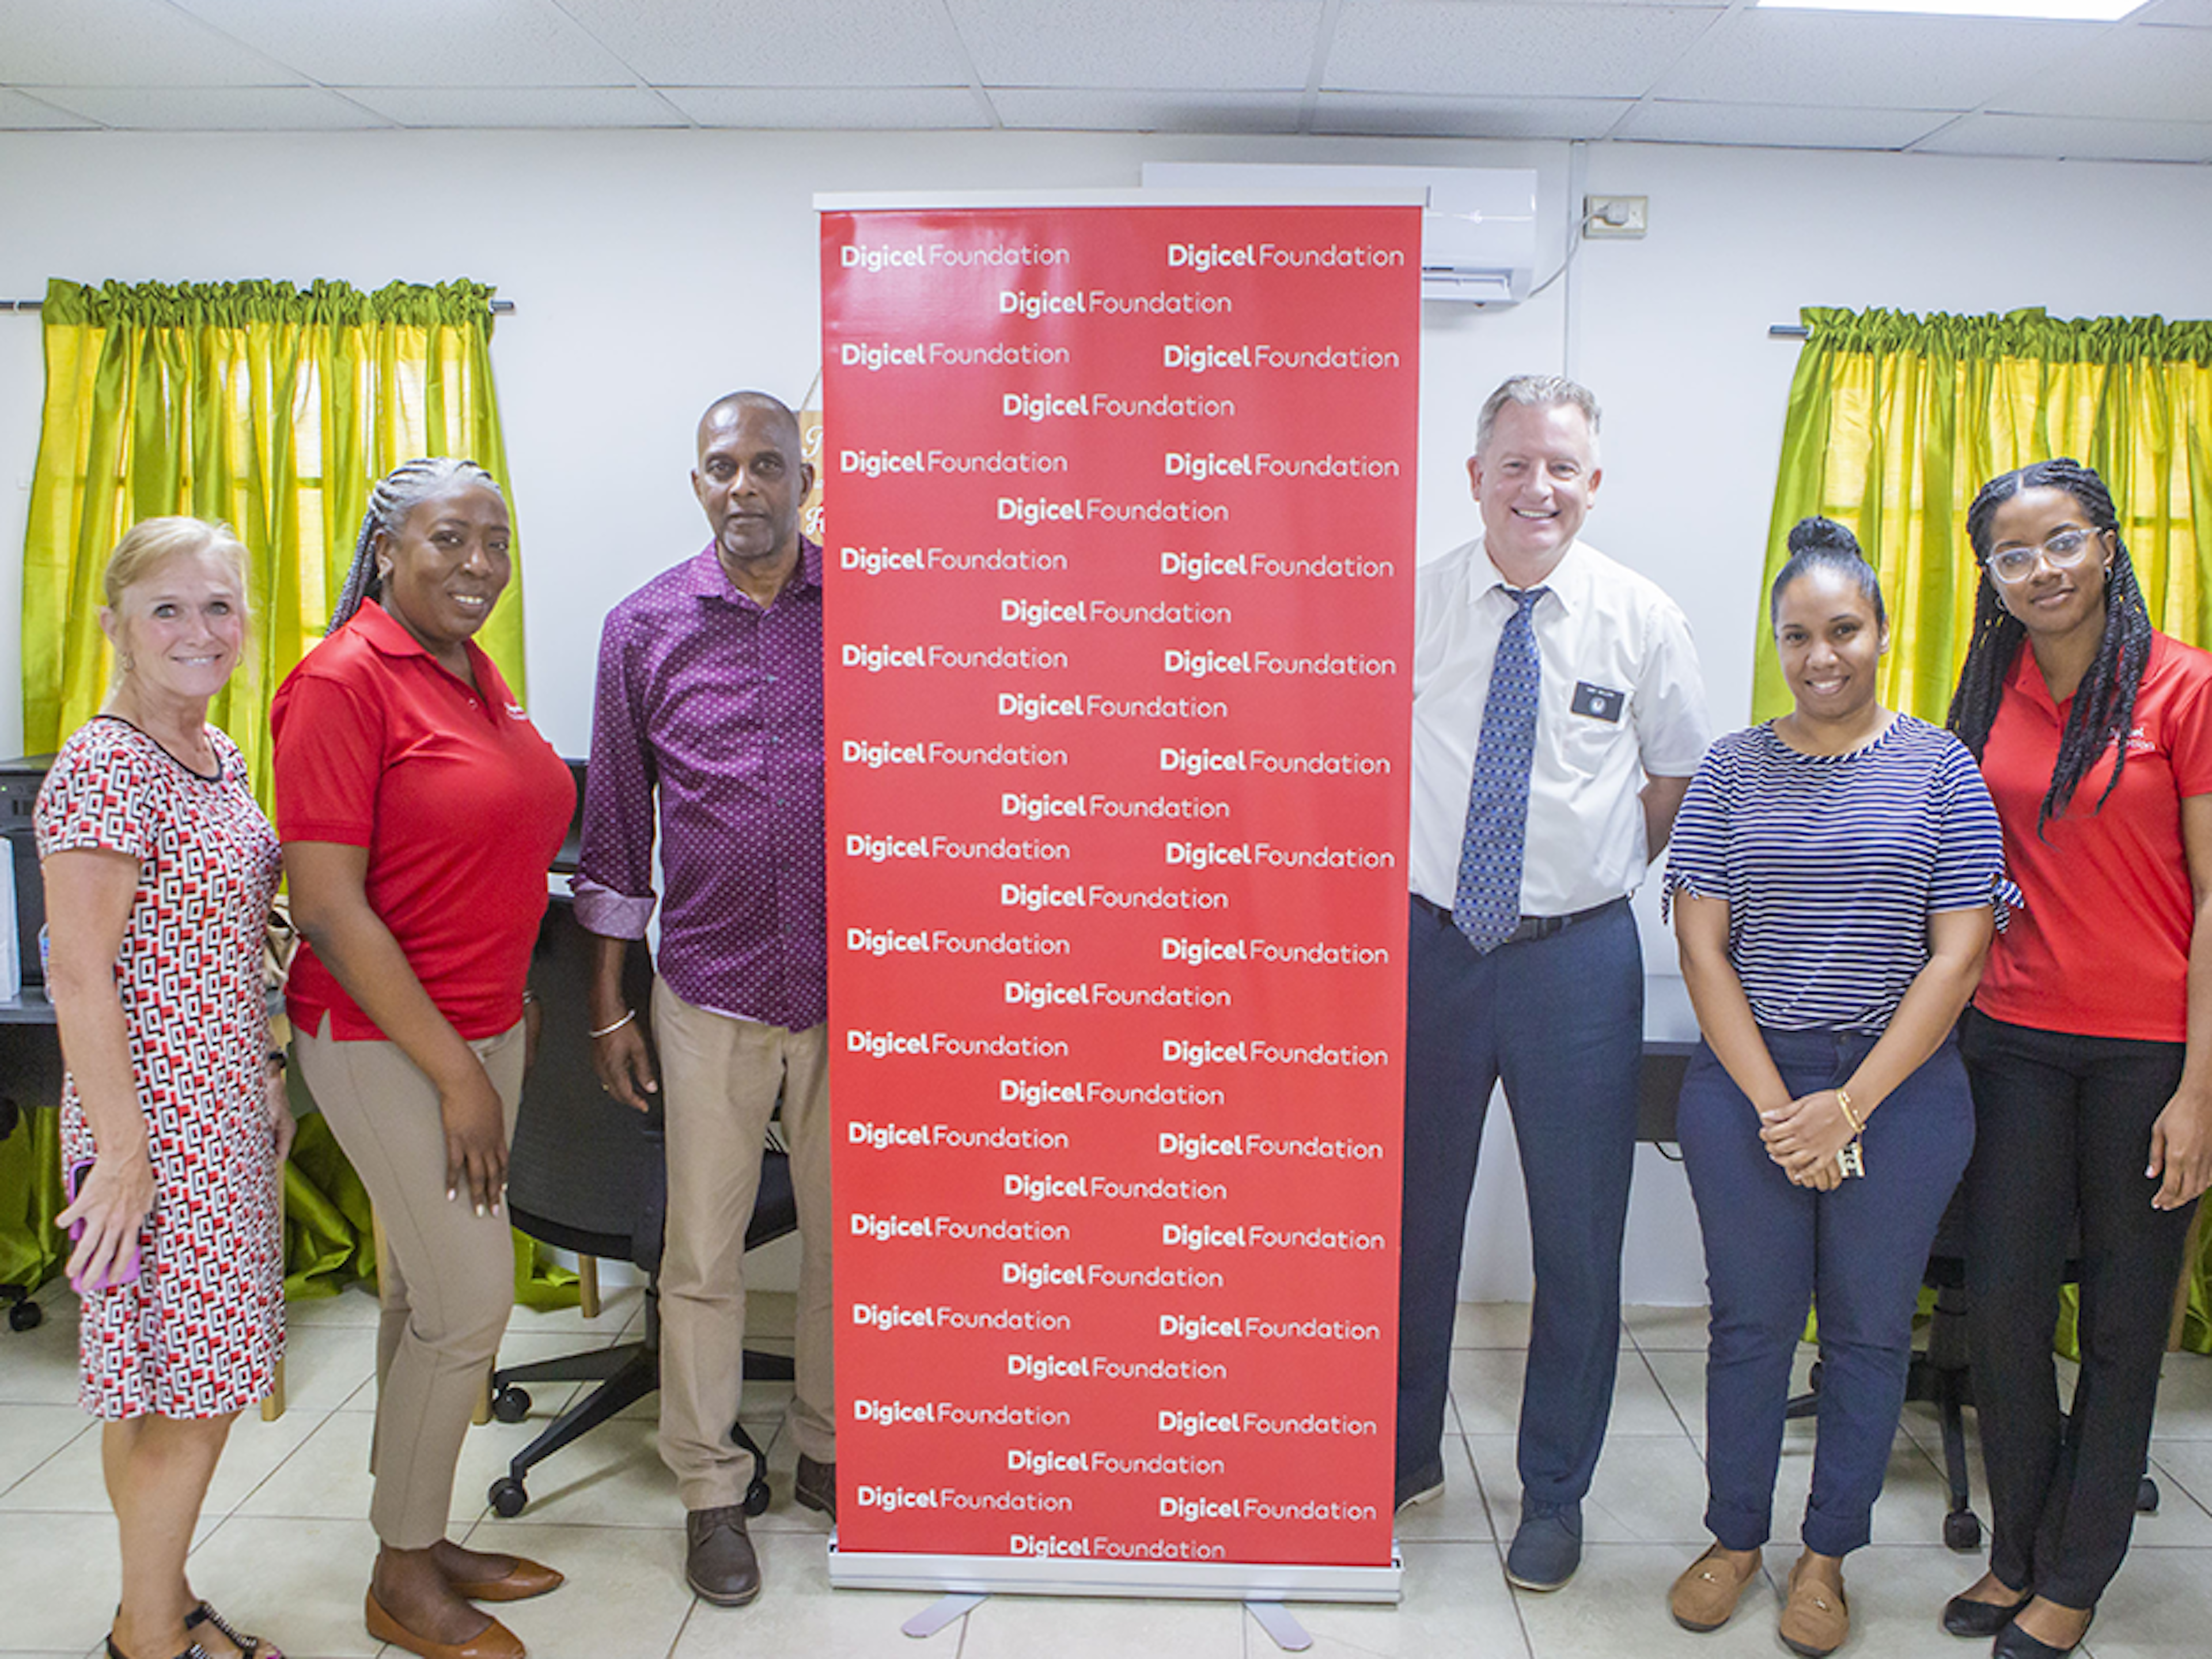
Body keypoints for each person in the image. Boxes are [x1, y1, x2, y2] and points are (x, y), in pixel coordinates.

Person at [1662, 518, 2009, 1656]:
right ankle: (1733, 1537)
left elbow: (1958, 955)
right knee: (1750, 1328)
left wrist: (1848, 1107)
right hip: (1753, 1085)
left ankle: (1826, 1557)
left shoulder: (1940, 768)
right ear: (1777, 642)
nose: (1822, 656)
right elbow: (1703, 948)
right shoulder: (1729, 767)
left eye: (1843, 630)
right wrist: (1779, 1109)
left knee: (1864, 1335)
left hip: (1897, 1089)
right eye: (1798, 635)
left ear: (1881, 629)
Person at [1400, 373, 1711, 1590]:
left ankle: (1556, 1493)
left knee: (1579, 1242)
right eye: (1518, 464)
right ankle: (1400, 1454)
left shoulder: (1642, 618)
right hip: (1429, 950)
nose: (1541, 488)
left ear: (1594, 484)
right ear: (1475, 476)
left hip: (1577, 962)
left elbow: (1675, 779)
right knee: (1412, 1224)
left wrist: (1587, 875)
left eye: (1563, 468)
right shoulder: (1415, 607)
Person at [272, 459, 574, 1659]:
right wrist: (455, 1071)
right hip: (381, 1043)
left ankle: (422, 1528)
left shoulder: (471, 673)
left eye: (496, 542)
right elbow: (333, 911)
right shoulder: (342, 681)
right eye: (450, 540)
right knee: (469, 1307)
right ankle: (402, 1574)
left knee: (424, 1301)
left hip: (480, 1028)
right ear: (386, 548)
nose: (480, 566)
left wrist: (504, 1023)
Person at [1940, 459, 2212, 1659]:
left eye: (2061, 542)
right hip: (2009, 1044)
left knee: (2120, 1317)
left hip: (2148, 1057)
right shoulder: (1987, 682)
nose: (2041, 569)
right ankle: (2019, 1549)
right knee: (1997, 1305)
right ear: (1992, 579)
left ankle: (2076, 1572)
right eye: (2013, 554)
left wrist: (2202, 1091)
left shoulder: (2185, 688)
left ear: (2106, 543)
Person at [573, 390, 834, 1606]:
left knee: (850, 1245)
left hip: (855, 994)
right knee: (702, 1256)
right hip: (713, 987)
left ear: (803, 477)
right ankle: (709, 1486)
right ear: (698, 485)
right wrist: (610, 1007)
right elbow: (619, 837)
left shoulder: (871, 616)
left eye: (767, 464)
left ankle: (835, 1452)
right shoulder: (643, 630)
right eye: (723, 466)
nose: (746, 486)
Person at [40, 517, 287, 1659]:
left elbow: (232, 940)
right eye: (167, 609)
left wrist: (270, 1074)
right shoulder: (107, 763)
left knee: (156, 1387)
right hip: (156, 1129)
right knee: (193, 1394)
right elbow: (78, 970)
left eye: (219, 606)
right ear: (115, 628)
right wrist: (128, 1155)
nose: (200, 631)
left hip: (221, 1111)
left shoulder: (217, 756)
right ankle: (150, 1637)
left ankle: (160, 1599)